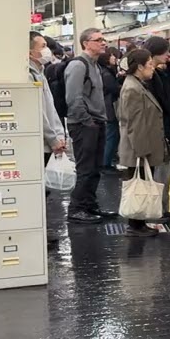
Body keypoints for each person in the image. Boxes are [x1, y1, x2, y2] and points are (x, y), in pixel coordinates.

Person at [65, 28, 112, 223]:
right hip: (84, 125)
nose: (103, 43)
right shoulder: (78, 65)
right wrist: (87, 121)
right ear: (86, 43)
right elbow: (73, 98)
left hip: (96, 122)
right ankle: (76, 208)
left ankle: (90, 205)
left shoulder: (95, 66)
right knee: (85, 168)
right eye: (98, 40)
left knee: (95, 167)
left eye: (103, 39)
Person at [117, 49, 166, 238]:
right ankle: (135, 225)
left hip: (142, 146)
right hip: (139, 148)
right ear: (139, 67)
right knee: (139, 185)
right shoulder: (132, 89)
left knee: (142, 184)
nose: (153, 68)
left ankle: (139, 223)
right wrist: (142, 151)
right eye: (150, 65)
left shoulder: (137, 84)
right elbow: (134, 124)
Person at [143, 37, 170, 220]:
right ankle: (157, 210)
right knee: (159, 174)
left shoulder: (158, 74)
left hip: (165, 129)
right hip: (159, 131)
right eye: (166, 51)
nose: (169, 55)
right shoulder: (150, 77)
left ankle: (163, 208)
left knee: (164, 173)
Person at [28, 31, 68, 168]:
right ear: (30, 53)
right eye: (43, 46)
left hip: (49, 141)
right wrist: (53, 139)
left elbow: (50, 108)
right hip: (39, 143)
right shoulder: (29, 76)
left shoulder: (41, 72)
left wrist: (59, 135)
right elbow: (38, 111)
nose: (48, 50)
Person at [99, 48, 121, 170]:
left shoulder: (104, 72)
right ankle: (106, 163)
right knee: (111, 135)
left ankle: (107, 160)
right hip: (109, 108)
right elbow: (114, 88)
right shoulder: (107, 74)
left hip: (107, 107)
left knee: (111, 134)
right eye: (112, 56)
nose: (115, 58)